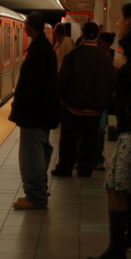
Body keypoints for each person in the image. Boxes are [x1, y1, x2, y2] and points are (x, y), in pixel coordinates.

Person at [87, 2, 131, 259]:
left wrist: (122, 67)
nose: (116, 22)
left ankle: (118, 247)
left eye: (119, 17)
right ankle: (129, 240)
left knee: (116, 185)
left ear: (130, 19)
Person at [8, 11, 61, 209]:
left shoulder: (38, 50)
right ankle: (38, 192)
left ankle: (35, 196)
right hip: (42, 113)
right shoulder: (44, 48)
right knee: (40, 151)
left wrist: (21, 108)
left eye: (25, 25)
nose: (24, 28)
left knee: (31, 155)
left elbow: (33, 86)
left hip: (34, 114)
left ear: (30, 27)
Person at [51, 22, 115, 178]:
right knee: (90, 139)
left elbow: (63, 79)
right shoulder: (105, 57)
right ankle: (85, 169)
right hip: (95, 108)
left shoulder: (74, 55)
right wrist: (103, 102)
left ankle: (65, 168)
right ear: (97, 36)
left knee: (69, 139)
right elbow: (111, 81)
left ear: (83, 33)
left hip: (74, 106)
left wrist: (61, 98)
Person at [95, 32, 117, 170]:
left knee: (108, 128)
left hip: (112, 100)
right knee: (99, 129)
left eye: (101, 41)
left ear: (108, 44)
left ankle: (100, 158)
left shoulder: (115, 56)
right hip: (99, 98)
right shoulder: (96, 55)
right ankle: (96, 158)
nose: (98, 43)